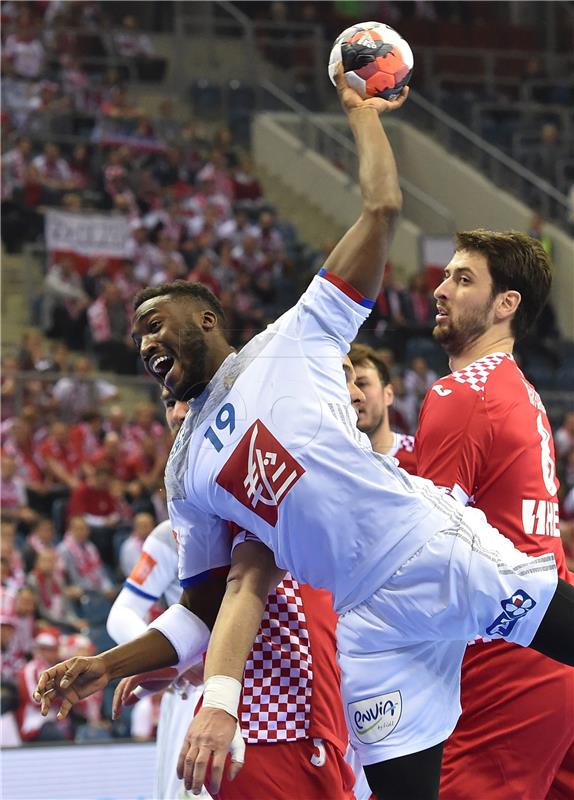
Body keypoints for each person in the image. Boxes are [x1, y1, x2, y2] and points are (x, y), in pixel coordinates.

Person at [35, 68, 574, 800]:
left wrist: (362, 115)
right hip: (368, 625)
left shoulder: (297, 335)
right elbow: (204, 605)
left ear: (207, 320)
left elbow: (382, 209)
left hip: (427, 553)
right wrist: (110, 663)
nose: (144, 344)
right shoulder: (185, 473)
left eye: (155, 324)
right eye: (136, 336)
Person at [107, 384, 358, 800]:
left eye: (187, 398)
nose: (177, 413)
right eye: (169, 402)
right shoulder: (180, 525)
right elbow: (206, 608)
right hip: (225, 702)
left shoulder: (270, 484)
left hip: (314, 701)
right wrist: (167, 661)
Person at [415, 229, 574, 800]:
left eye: (463, 279)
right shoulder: (518, 389)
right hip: (549, 633)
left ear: (507, 304)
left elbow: (421, 547)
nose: (441, 289)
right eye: (446, 274)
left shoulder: (462, 392)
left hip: (504, 649)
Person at [349, 342, 416, 474]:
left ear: (388, 394)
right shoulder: (329, 463)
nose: (354, 395)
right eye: (344, 386)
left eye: (362, 384)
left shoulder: (422, 455)